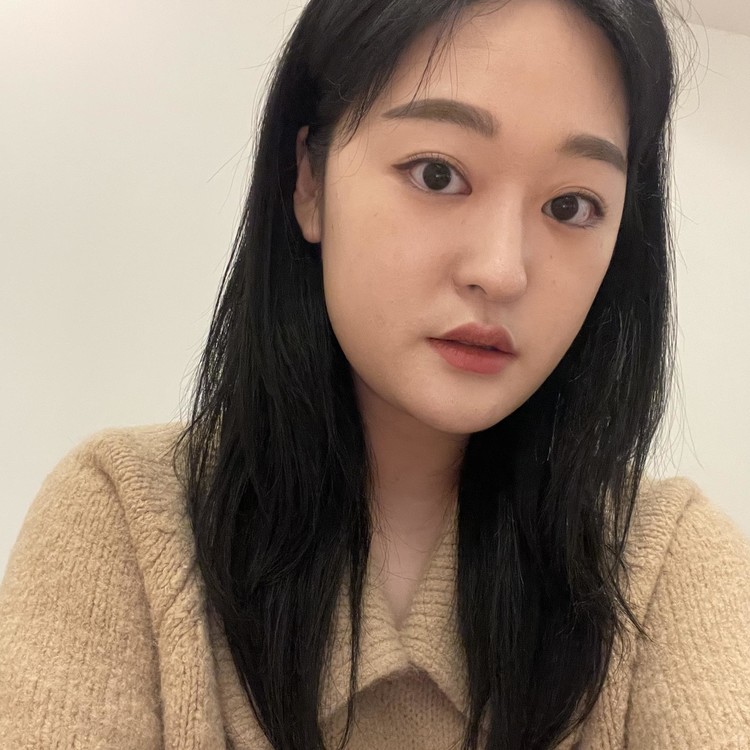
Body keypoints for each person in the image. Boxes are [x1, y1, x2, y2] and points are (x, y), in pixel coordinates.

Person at [1, 0, 749, 748]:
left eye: (571, 204)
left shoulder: (668, 566)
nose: (501, 271)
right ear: (310, 181)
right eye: (437, 174)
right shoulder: (126, 524)